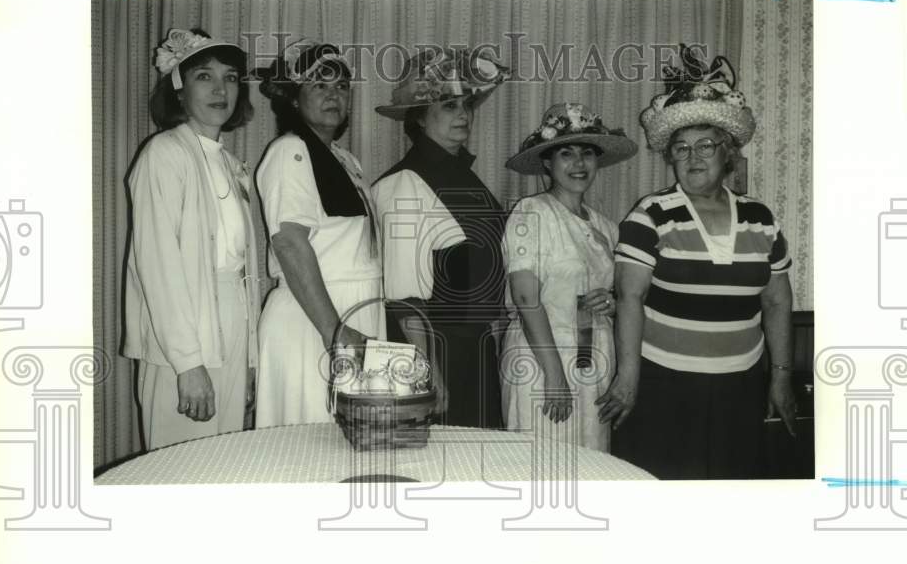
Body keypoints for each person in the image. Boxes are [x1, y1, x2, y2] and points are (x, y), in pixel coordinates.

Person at [598, 45, 797, 479]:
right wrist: (628, 378)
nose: (693, 157)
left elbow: (778, 303)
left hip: (740, 385)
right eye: (682, 148)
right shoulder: (649, 214)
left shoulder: (762, 219)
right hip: (664, 384)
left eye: (706, 145)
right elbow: (630, 299)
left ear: (728, 153)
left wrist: (780, 375)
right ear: (670, 158)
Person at [123, 28, 260, 450]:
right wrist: (188, 365)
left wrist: (251, 359)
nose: (221, 89)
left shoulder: (231, 163)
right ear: (179, 90)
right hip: (185, 332)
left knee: (228, 464)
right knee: (183, 467)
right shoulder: (164, 154)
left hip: (233, 323)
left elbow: (244, 272)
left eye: (231, 77)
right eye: (205, 76)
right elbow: (159, 267)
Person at [372, 46, 509, 429]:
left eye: (466, 104)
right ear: (419, 118)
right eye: (449, 105)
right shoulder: (404, 182)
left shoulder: (464, 175)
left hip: (472, 348)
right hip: (435, 351)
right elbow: (403, 294)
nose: (464, 114)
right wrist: (427, 371)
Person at [254, 39, 384, 426]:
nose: (334, 95)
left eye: (341, 86)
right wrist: (336, 332)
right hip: (315, 321)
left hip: (352, 315)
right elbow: (289, 243)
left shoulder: (345, 160)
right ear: (294, 98)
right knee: (308, 452)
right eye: (319, 85)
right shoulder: (290, 151)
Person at [501, 103, 637, 450]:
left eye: (587, 153)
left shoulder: (605, 226)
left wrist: (612, 303)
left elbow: (623, 294)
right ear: (547, 162)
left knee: (592, 462)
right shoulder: (531, 213)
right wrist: (554, 374)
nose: (579, 163)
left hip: (595, 358)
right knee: (542, 464)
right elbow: (525, 298)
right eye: (566, 153)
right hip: (543, 357)